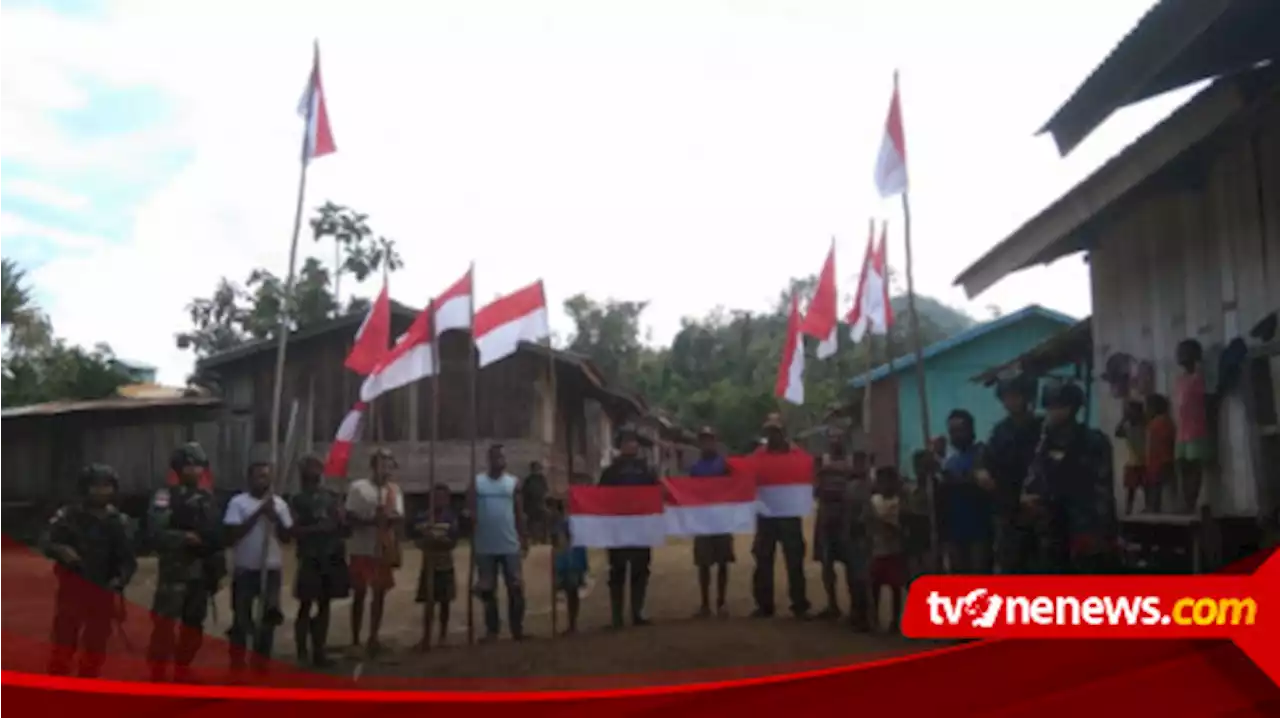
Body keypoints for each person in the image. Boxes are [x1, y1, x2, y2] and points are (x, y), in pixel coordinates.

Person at [41, 464, 137, 678]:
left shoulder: (119, 522)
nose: (101, 491)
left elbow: (128, 561)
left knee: (96, 643)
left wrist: (119, 580)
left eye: (106, 486)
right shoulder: (68, 515)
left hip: (102, 590)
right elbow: (46, 541)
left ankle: (88, 681)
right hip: (72, 588)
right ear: (85, 488)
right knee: (64, 640)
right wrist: (61, 550)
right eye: (96, 486)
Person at [147, 442, 225, 683]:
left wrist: (217, 569)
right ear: (179, 468)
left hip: (201, 573)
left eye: (198, 466)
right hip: (175, 572)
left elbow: (216, 535)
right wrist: (184, 538)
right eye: (189, 465)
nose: (195, 470)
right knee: (164, 626)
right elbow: (155, 532)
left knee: (193, 627)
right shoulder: (165, 496)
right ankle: (158, 674)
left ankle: (183, 669)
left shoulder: (207, 498)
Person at [1022, 383, 1118, 574]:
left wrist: (1100, 531)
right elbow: (1035, 479)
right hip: (1052, 527)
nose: (1052, 412)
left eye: (1058, 407)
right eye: (1050, 407)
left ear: (1072, 408)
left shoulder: (1093, 442)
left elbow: (1102, 490)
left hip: (1085, 525)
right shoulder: (1044, 443)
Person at [223, 461, 293, 674]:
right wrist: (258, 513)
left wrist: (276, 517)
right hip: (245, 569)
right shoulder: (238, 503)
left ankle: (261, 662)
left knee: (268, 618)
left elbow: (287, 537)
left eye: (266, 476)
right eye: (259, 476)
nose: (263, 480)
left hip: (271, 568)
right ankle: (237, 664)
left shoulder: (279, 504)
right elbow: (232, 535)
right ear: (250, 479)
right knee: (242, 618)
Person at [289, 455, 348, 668]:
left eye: (316, 468)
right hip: (310, 557)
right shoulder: (297, 499)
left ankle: (319, 650)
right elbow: (293, 530)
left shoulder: (330, 497)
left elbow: (341, 527)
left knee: (324, 605)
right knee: (306, 604)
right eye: (310, 468)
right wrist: (318, 529)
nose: (314, 472)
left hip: (330, 556)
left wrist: (341, 519)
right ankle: (302, 651)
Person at [750, 413, 811, 620]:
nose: (772, 435)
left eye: (776, 431)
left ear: (783, 433)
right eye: (769, 431)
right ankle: (764, 605)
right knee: (763, 559)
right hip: (766, 515)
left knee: (794, 560)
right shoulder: (758, 456)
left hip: (789, 516)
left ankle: (799, 603)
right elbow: (744, 475)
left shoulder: (798, 456)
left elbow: (811, 473)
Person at [344, 447, 405, 656]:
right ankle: (354, 639)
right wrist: (372, 520)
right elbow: (350, 516)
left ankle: (373, 637)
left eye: (389, 464)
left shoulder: (394, 490)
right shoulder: (359, 488)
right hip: (362, 547)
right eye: (382, 463)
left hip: (383, 547)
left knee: (379, 595)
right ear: (373, 466)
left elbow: (399, 517)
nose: (386, 468)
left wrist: (387, 517)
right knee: (359, 593)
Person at [599, 424, 660, 628]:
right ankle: (617, 616)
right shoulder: (609, 473)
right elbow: (601, 499)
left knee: (640, 571)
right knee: (617, 572)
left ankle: (637, 612)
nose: (630, 444)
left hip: (641, 528)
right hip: (617, 529)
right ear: (620, 445)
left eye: (633, 440)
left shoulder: (648, 471)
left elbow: (657, 495)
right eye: (626, 441)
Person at [980, 375, 1043, 574]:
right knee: (1011, 566)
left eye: (1016, 396)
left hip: (1039, 509)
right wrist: (981, 472)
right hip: (1007, 508)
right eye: (1007, 397)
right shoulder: (1000, 431)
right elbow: (985, 460)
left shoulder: (1042, 428)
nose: (1011, 402)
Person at [811, 427, 869, 627]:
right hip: (827, 515)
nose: (836, 441)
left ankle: (855, 607)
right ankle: (832, 604)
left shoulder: (853, 461)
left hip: (846, 517)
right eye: (832, 437)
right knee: (827, 563)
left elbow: (860, 482)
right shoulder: (824, 461)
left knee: (851, 564)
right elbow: (816, 489)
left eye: (839, 437)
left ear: (845, 440)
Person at [472, 443, 528, 642]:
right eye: (496, 457)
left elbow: (519, 513)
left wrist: (524, 537)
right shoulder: (477, 483)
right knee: (488, 589)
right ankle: (492, 630)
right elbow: (469, 510)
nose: (500, 461)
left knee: (516, 587)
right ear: (489, 460)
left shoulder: (512, 483)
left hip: (509, 544)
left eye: (503, 457)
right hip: (484, 546)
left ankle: (517, 628)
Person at [939, 409, 995, 574]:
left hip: (979, 531)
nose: (955, 435)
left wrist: (951, 479)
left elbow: (979, 483)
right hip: (955, 532)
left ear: (971, 430)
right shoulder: (950, 461)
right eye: (952, 432)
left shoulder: (983, 453)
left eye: (959, 430)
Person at [688, 426, 734, 618]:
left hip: (722, 519)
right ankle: (705, 603)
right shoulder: (695, 468)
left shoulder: (725, 465)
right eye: (704, 440)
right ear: (700, 443)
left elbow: (735, 486)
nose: (707, 443)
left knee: (723, 562)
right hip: (703, 521)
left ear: (715, 442)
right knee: (703, 564)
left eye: (710, 439)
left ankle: (721, 602)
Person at [414, 483, 459, 650]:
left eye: (443, 497)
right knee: (429, 601)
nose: (440, 500)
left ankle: (442, 636)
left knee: (445, 601)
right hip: (429, 564)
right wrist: (428, 540)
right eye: (436, 497)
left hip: (445, 563)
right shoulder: (423, 517)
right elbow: (417, 540)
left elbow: (453, 541)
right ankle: (426, 636)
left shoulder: (450, 518)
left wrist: (439, 541)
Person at [1175, 339, 1212, 513]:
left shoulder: (1199, 378)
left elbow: (1207, 400)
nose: (1180, 356)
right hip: (1183, 430)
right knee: (1184, 466)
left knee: (1194, 467)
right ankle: (1187, 501)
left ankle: (1191, 503)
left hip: (1196, 428)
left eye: (1183, 352)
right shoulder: (1181, 379)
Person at [868, 466, 906, 634]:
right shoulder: (874, 500)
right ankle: (875, 618)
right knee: (875, 586)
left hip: (894, 550)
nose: (885, 485)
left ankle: (894, 621)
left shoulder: (900, 502)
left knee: (894, 587)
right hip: (877, 549)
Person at [549, 497, 587, 634]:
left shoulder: (574, 519)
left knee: (572, 589)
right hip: (563, 557)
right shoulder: (557, 521)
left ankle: (572, 623)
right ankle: (571, 623)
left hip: (572, 556)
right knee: (567, 589)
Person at [1145, 394, 1176, 515]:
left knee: (1156, 488)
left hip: (1159, 461)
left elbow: (1155, 445)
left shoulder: (1157, 423)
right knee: (1165, 487)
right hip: (1165, 460)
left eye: (1149, 407)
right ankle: (1161, 508)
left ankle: (1155, 509)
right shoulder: (1166, 421)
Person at [1117, 400, 1149, 515]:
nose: (1129, 413)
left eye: (1131, 411)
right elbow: (1117, 433)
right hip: (1132, 462)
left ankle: (1149, 508)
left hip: (1145, 462)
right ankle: (1128, 510)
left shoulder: (1145, 425)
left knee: (1147, 488)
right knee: (1131, 489)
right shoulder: (1128, 427)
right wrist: (1124, 419)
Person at [523, 462, 550, 545]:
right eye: (536, 468)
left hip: (540, 505)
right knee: (532, 524)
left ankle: (544, 540)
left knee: (545, 521)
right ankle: (534, 540)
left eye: (538, 468)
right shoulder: (528, 480)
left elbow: (546, 491)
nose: (538, 470)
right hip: (531, 506)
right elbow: (525, 494)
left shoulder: (542, 479)